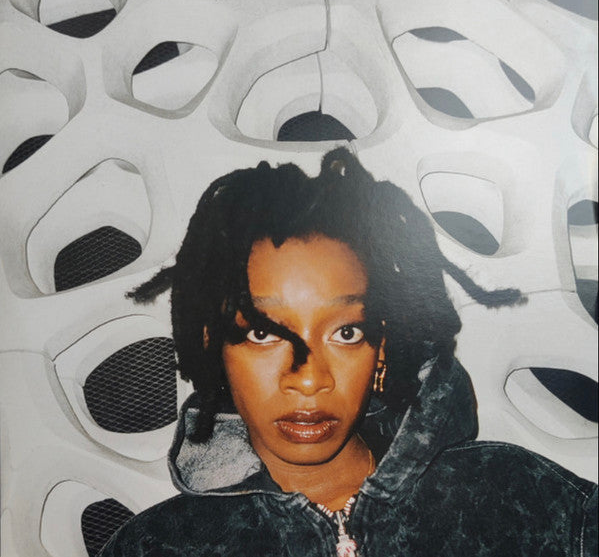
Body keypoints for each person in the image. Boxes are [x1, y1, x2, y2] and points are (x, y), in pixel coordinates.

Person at [100, 148, 597, 557]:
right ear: (214, 347)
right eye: (263, 334)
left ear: (381, 347)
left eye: (346, 333)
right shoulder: (154, 547)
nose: (309, 378)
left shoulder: (520, 498)